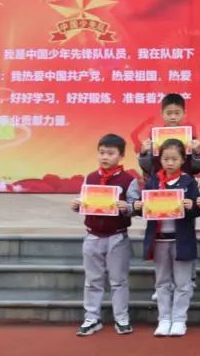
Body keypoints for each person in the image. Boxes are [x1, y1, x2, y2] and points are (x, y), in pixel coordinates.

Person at [133, 139, 200, 337]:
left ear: (183, 161)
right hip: (159, 240)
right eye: (166, 159)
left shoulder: (189, 182)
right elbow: (144, 206)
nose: (170, 163)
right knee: (162, 282)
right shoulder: (153, 181)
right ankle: (164, 319)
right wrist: (138, 206)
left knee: (183, 282)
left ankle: (179, 320)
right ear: (160, 160)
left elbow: (198, 210)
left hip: (181, 240)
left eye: (174, 159)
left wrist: (193, 206)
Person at [71, 133, 138, 337]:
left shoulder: (129, 180)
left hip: (117, 237)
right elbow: (84, 201)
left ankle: (122, 318)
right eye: (101, 153)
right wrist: (77, 205)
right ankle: (92, 318)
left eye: (110, 153)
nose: (105, 157)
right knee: (93, 280)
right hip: (92, 236)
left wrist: (128, 207)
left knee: (119, 280)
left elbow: (136, 206)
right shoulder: (90, 178)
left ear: (121, 156)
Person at [137, 93, 200, 177]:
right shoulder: (154, 138)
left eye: (177, 113)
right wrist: (143, 154)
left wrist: (198, 154)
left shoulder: (191, 139)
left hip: (184, 180)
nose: (173, 117)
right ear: (162, 113)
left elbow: (197, 169)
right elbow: (147, 168)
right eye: (169, 113)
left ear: (184, 113)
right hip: (159, 181)